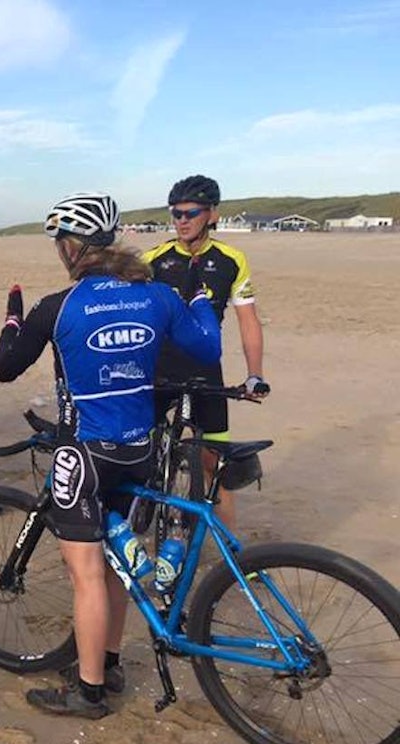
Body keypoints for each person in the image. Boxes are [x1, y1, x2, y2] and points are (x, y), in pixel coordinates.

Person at [0, 192, 222, 718]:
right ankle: (110, 661)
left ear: (71, 248)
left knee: (87, 572)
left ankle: (89, 690)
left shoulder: (60, 306)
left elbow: (6, 365)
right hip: (141, 449)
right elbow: (208, 348)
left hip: (85, 455)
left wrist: (12, 315)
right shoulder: (158, 295)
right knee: (118, 562)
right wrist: (203, 301)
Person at [143, 175, 268, 529]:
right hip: (157, 370)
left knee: (216, 465)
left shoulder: (231, 260)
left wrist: (255, 374)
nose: (181, 220)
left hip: (205, 372)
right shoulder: (153, 259)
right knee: (137, 455)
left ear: (212, 214)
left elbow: (248, 321)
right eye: (176, 213)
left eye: (190, 213)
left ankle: (235, 557)